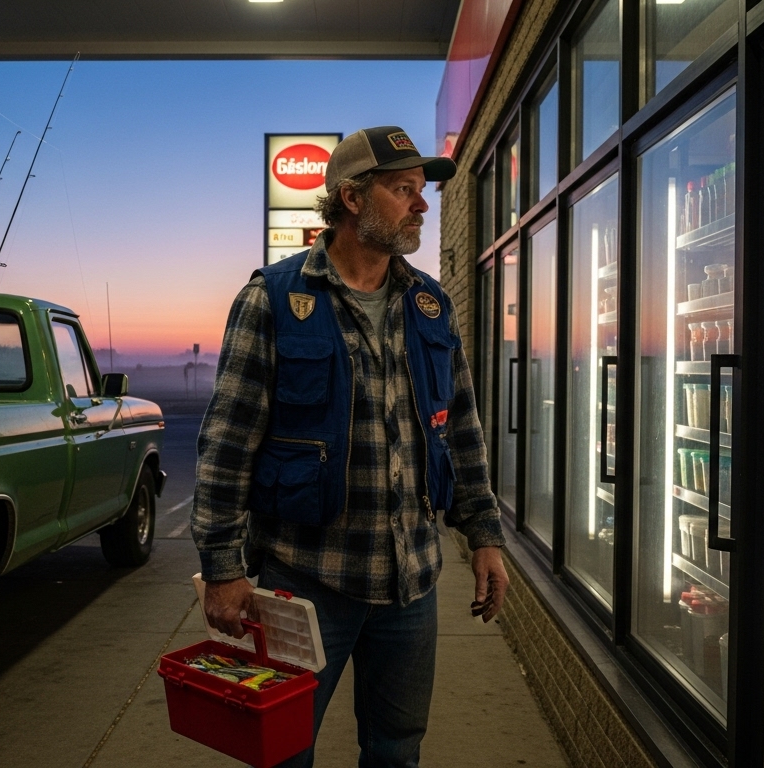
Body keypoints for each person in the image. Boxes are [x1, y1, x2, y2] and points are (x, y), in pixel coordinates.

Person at [191, 126, 508, 767]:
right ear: (351, 198)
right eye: (403, 190)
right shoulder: (273, 301)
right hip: (307, 586)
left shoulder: (430, 305)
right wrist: (224, 570)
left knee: (396, 750)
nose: (421, 205)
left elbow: (461, 429)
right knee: (282, 753)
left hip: (410, 586)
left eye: (422, 192)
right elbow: (226, 446)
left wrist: (484, 533)